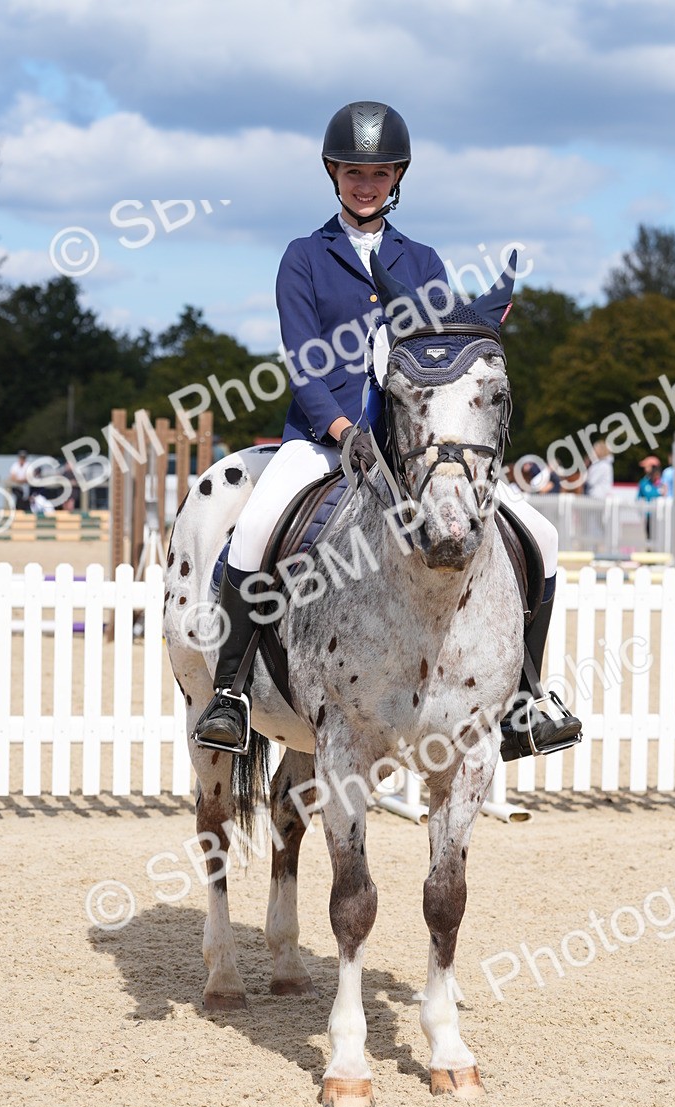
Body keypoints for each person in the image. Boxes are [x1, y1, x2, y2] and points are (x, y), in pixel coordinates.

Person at [194, 101, 580, 762]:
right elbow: (303, 359)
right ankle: (230, 692)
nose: (364, 183)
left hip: (416, 448)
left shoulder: (424, 260)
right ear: (333, 174)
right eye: (352, 171)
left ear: (397, 176)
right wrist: (341, 428)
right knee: (254, 531)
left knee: (536, 533)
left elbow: (441, 361)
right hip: (322, 442)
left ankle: (524, 697)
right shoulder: (303, 258)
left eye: (377, 172)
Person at [636, 455, 665, 545]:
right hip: (649, 515)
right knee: (650, 538)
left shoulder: (663, 481)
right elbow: (640, 497)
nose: (645, 469)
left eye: (647, 467)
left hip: (662, 515)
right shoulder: (644, 482)